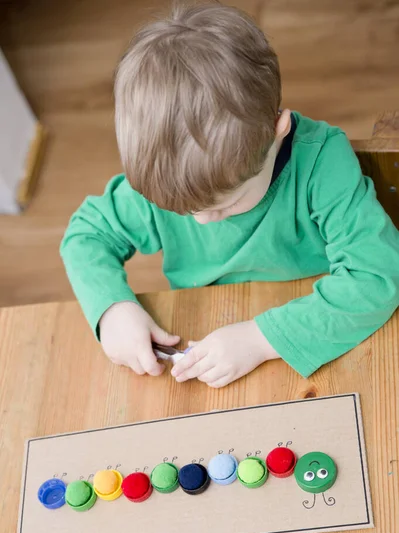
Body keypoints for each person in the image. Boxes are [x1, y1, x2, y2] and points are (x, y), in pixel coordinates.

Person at [60, 3, 399, 388]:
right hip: (211, 339)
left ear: (278, 131)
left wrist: (260, 339)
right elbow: (87, 235)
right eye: (184, 210)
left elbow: (379, 276)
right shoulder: (172, 178)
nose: (203, 220)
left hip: (320, 335)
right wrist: (113, 310)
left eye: (225, 204)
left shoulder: (322, 163)